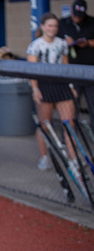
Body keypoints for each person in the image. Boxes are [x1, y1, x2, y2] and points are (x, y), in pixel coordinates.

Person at [27, 12, 77, 171]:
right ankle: (44, 157)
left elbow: (65, 65)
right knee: (44, 125)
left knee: (69, 123)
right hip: (44, 86)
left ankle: (74, 159)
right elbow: (31, 70)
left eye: (55, 26)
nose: (52, 29)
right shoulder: (36, 45)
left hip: (61, 85)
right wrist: (35, 88)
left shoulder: (62, 44)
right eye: (49, 25)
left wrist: (70, 85)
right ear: (42, 26)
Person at [57, 0, 94, 115]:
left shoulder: (92, 22)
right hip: (72, 69)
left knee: (92, 104)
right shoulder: (62, 23)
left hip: (90, 69)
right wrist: (64, 42)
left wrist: (87, 42)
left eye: (80, 16)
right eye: (76, 15)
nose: (78, 18)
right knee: (72, 104)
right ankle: (72, 133)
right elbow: (54, 43)